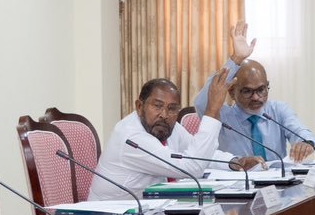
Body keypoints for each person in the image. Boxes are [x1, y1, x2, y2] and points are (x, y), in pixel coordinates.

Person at [90, 75, 260, 202]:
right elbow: (191, 168)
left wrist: (234, 162)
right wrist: (212, 110)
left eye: (172, 108)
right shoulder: (132, 138)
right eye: (157, 106)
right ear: (140, 106)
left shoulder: (165, 126)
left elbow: (198, 155)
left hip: (149, 213)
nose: (164, 114)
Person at [193, 21, 315, 164]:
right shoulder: (222, 116)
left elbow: (300, 131)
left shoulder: (278, 110)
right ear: (232, 92)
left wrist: (305, 143)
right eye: (247, 91)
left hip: (277, 176)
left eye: (261, 90)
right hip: (238, 176)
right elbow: (201, 102)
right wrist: (236, 59)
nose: (256, 97)